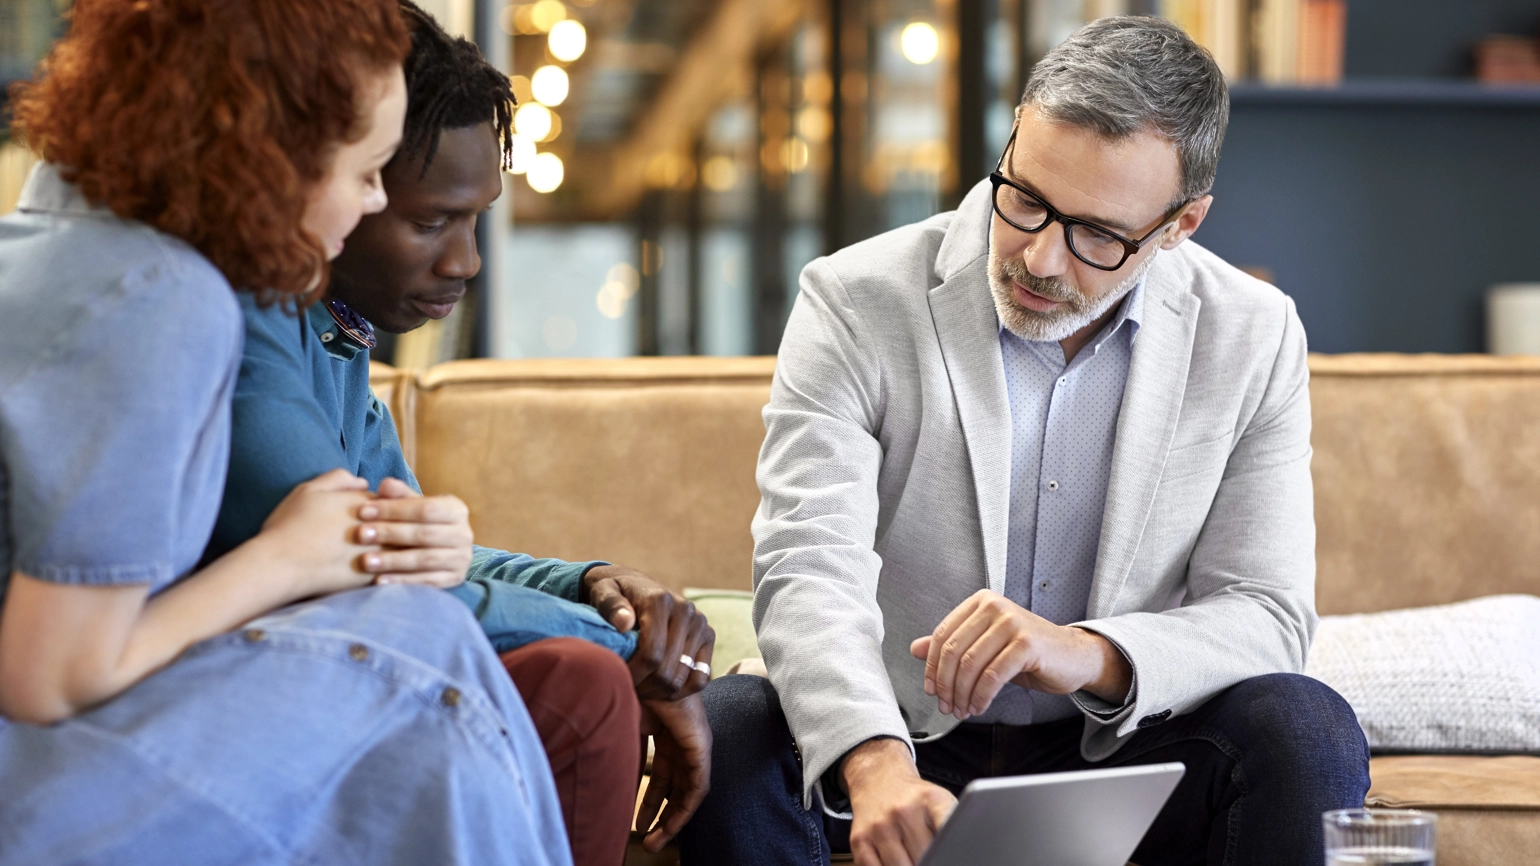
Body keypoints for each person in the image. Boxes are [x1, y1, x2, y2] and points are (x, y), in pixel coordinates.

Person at [681, 16, 1369, 866]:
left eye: (1097, 235)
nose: (1040, 258)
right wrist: (874, 763)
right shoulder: (853, 302)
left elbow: (1265, 614)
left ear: (1181, 225)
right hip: (899, 740)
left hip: (1120, 751)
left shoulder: (1254, 335)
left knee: (1304, 724)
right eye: (1027, 199)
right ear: (1010, 145)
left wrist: (1084, 654)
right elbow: (807, 568)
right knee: (731, 728)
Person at [0, 2, 570, 863]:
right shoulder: (162, 295)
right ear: (272, 157)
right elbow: (50, 674)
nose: (376, 198)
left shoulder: (45, 244)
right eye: (368, 170)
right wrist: (290, 555)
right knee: (427, 648)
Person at [205, 5, 711, 864]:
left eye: (477, 218)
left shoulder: (333, 326)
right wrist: (637, 648)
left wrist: (587, 586)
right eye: (431, 219)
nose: (467, 261)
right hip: (215, 704)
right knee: (580, 686)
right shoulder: (243, 328)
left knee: (578, 676)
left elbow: (420, 561)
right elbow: (367, 583)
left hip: (309, 672)